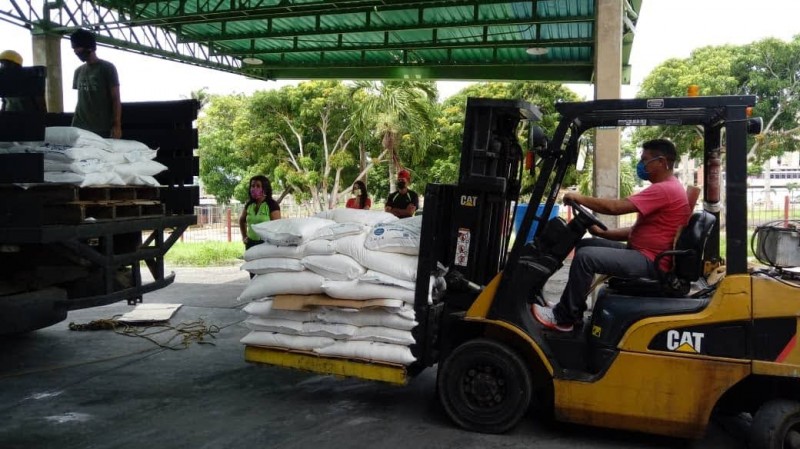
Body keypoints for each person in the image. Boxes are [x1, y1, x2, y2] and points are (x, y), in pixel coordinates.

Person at [533, 139, 691, 332]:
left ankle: (564, 317)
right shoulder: (668, 187)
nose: (641, 165)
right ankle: (572, 307)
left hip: (651, 262)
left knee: (586, 258)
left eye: (645, 160)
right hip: (646, 253)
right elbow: (638, 232)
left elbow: (615, 208)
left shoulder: (665, 189)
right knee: (586, 245)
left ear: (662, 161)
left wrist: (579, 197)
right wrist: (603, 233)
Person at [69, 29, 122, 138]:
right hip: (79, 126)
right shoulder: (78, 71)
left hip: (101, 127)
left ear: (89, 47)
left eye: (77, 48)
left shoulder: (107, 68)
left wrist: (117, 125)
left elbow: (116, 99)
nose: (75, 51)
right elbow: (81, 100)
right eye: (73, 48)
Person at [239, 175, 281, 277]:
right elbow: (241, 220)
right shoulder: (249, 204)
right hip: (251, 244)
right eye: (252, 186)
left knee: (265, 274)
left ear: (264, 188)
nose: (254, 189)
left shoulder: (272, 204)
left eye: (258, 186)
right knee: (253, 273)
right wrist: (244, 237)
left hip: (265, 244)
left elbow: (278, 226)